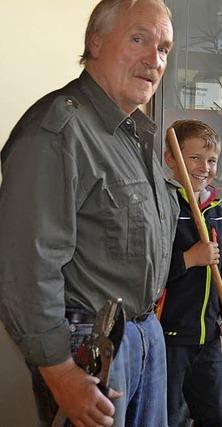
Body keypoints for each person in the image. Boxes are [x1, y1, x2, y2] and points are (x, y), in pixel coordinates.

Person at [0, 1, 176, 425]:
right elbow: (27, 264)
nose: (155, 60)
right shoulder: (58, 131)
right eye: (139, 40)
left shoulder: (133, 133)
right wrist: (59, 371)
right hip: (89, 350)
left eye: (165, 49)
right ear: (95, 41)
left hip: (144, 336)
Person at [160, 119, 222, 426]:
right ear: (171, 158)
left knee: (217, 417)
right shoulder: (164, 204)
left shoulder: (215, 207)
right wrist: (188, 258)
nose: (204, 167)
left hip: (208, 339)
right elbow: (148, 271)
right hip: (170, 337)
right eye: (194, 158)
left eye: (211, 160)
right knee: (169, 418)